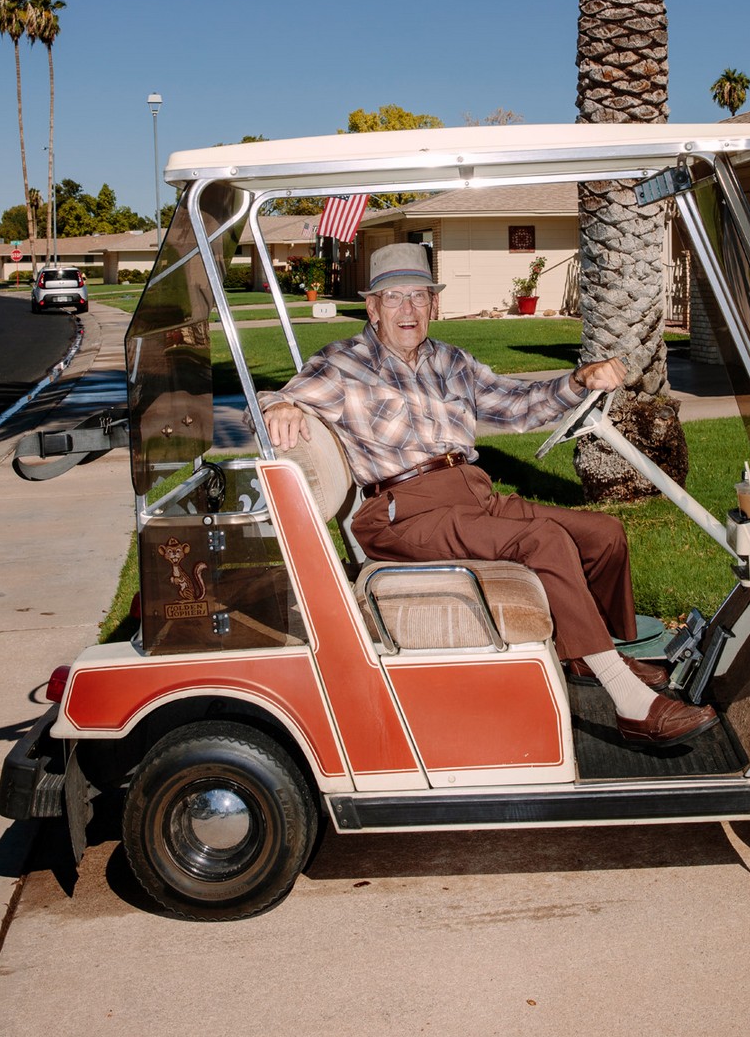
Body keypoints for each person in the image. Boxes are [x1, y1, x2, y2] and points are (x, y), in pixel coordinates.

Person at [259, 243, 717, 748]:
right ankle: (630, 703)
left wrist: (577, 380)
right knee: (544, 541)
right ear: (373, 307)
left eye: (419, 297)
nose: (408, 310)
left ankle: (592, 654)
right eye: (394, 299)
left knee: (603, 533)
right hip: (405, 511)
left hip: (474, 496)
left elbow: (518, 406)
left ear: (433, 304)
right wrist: (280, 405)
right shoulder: (343, 363)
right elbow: (271, 402)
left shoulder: (452, 361)